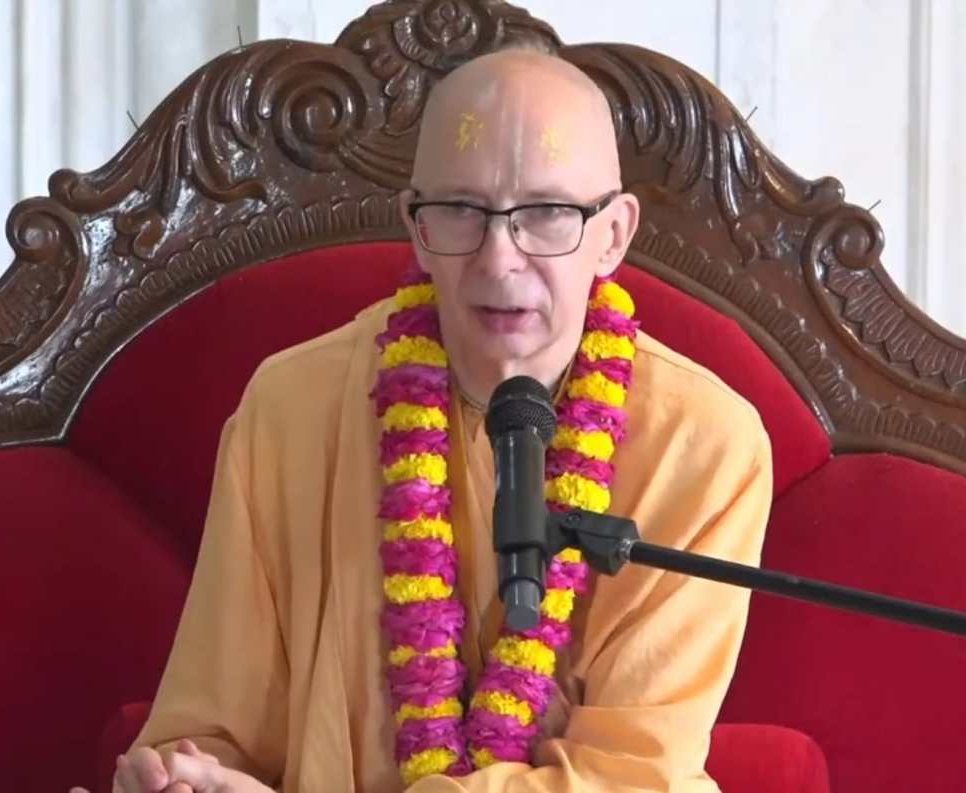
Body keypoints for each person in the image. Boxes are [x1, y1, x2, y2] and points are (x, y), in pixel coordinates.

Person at [71, 46, 772, 793]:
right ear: (415, 226)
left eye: (546, 213)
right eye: (461, 210)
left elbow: (629, 777)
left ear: (614, 234)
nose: (499, 261)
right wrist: (185, 782)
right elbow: (217, 733)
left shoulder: (703, 445)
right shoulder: (288, 409)